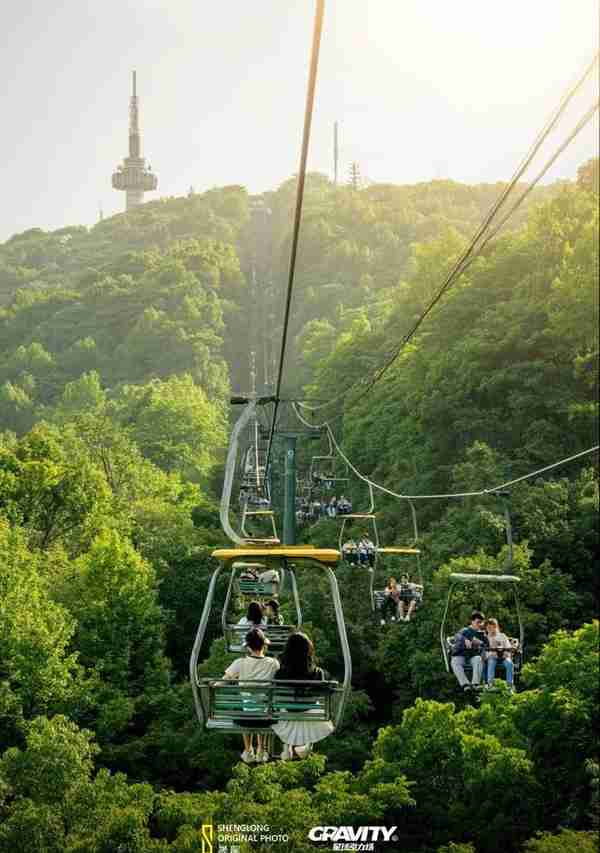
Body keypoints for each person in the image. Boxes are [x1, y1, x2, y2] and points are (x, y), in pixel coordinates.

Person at [271, 632, 334, 760]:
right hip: (309, 713)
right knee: (315, 708)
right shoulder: (317, 672)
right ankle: (306, 745)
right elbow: (322, 692)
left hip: (287, 713)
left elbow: (276, 693)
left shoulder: (280, 673)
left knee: (284, 708)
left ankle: (287, 744)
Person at [224, 627, 280, 763]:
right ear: (264, 645)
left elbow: (223, 681)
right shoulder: (273, 663)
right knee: (265, 708)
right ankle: (261, 749)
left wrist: (211, 686)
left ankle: (248, 749)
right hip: (267, 718)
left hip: (246, 718)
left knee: (244, 707)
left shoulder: (240, 663)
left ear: (248, 647)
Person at [450, 611, 488, 692]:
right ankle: (465, 684)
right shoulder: (465, 630)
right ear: (472, 621)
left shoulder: (482, 634)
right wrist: (465, 639)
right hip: (461, 655)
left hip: (473, 656)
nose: (480, 624)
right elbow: (457, 636)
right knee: (455, 662)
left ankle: (475, 684)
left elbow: (487, 644)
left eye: (481, 622)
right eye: (478, 622)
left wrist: (480, 643)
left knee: (478, 659)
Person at [485, 618, 515, 690]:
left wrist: (506, 653)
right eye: (487, 628)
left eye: (490, 627)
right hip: (492, 657)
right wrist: (490, 654)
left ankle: (509, 685)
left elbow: (508, 647)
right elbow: (484, 650)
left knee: (509, 664)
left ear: (495, 627)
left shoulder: (502, 636)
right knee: (491, 662)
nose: (489, 629)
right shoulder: (486, 638)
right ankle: (490, 684)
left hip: (503, 656)